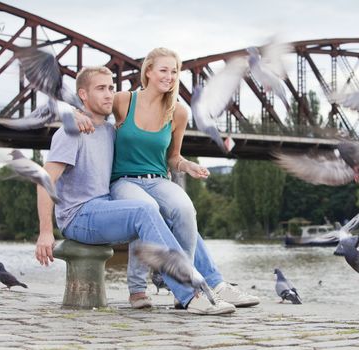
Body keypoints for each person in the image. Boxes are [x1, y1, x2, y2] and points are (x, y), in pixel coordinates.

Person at [35, 66, 236, 315]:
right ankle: (191, 294)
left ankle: (215, 283)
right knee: (144, 210)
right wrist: (45, 232)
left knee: (176, 211)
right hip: (79, 216)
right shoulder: (71, 131)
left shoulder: (110, 130)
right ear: (83, 95)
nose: (109, 94)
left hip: (107, 208)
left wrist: (179, 163)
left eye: (111, 88)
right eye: (101, 88)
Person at [109, 47, 259, 309]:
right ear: (148, 71)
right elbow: (93, 111)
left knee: (185, 209)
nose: (169, 76)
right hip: (124, 181)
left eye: (174, 71)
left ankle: (187, 286)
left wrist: (186, 165)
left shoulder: (177, 112)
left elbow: (173, 157)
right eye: (163, 70)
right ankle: (137, 289)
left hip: (158, 179)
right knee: (146, 209)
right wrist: (78, 115)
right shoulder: (123, 100)